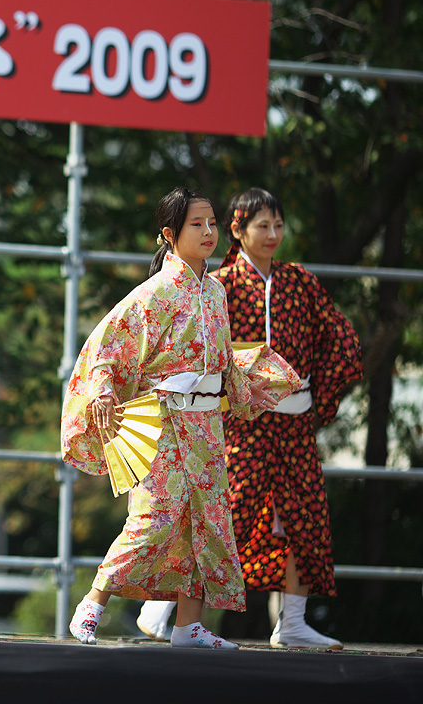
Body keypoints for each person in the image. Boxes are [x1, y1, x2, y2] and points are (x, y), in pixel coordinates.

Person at [61, 187, 300, 649]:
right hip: (164, 424)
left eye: (212, 223)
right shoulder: (154, 292)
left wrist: (252, 377)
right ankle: (91, 603)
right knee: (154, 518)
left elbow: (221, 357)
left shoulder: (215, 290)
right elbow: (106, 347)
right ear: (169, 234)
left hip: (207, 426)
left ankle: (189, 626)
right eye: (198, 224)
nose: (209, 232)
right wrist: (104, 389)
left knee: (205, 521)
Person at [138, 188, 360, 649]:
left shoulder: (299, 281)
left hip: (295, 422)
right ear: (239, 230)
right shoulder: (220, 285)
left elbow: (339, 336)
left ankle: (293, 621)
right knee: (223, 516)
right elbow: (193, 352)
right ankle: (164, 607)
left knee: (306, 516)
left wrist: (319, 388)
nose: (273, 234)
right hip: (241, 422)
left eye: (279, 225)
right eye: (263, 225)